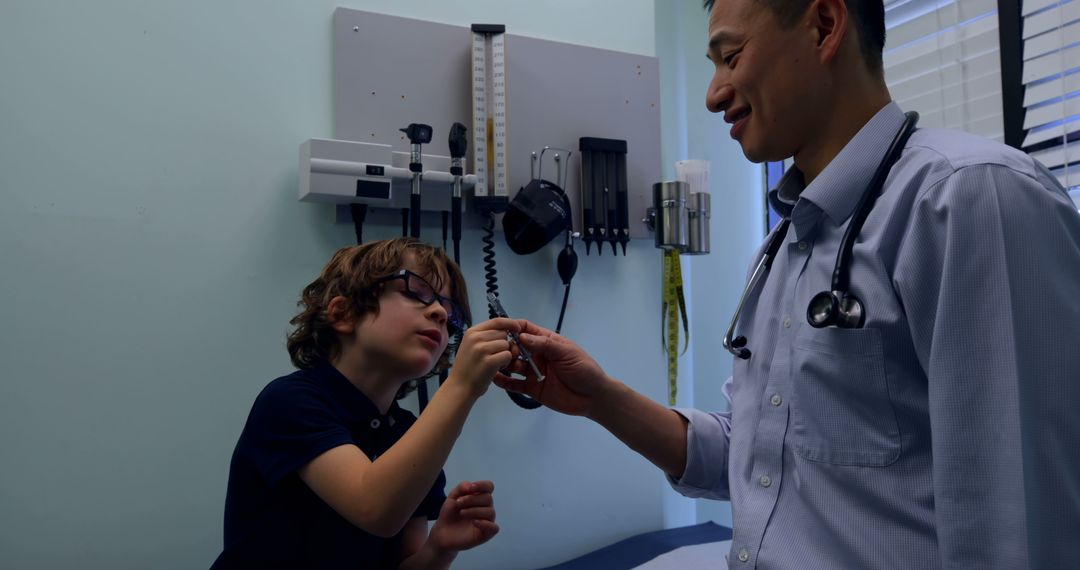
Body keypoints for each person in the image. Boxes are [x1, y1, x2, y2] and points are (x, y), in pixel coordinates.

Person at [496, 0, 1080, 568]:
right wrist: (600, 399)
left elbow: (1013, 522)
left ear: (824, 26)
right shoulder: (786, 249)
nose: (713, 93)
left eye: (730, 56)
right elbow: (756, 459)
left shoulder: (969, 198)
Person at [213, 237, 522, 569]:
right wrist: (461, 386)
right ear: (343, 314)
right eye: (415, 291)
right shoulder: (291, 402)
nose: (439, 313)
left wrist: (439, 549)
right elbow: (373, 507)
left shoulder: (409, 434)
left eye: (451, 313)